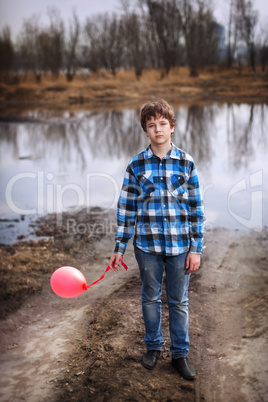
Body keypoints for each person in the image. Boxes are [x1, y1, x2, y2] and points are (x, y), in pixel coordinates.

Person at [109, 99, 204, 380]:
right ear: (146, 131)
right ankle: (153, 346)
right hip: (147, 246)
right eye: (152, 125)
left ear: (172, 128)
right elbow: (126, 208)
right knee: (150, 297)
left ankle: (180, 354)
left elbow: (196, 208)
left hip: (179, 246)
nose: (158, 129)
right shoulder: (136, 165)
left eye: (163, 124)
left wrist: (195, 249)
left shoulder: (186, 162)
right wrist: (119, 247)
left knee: (178, 300)